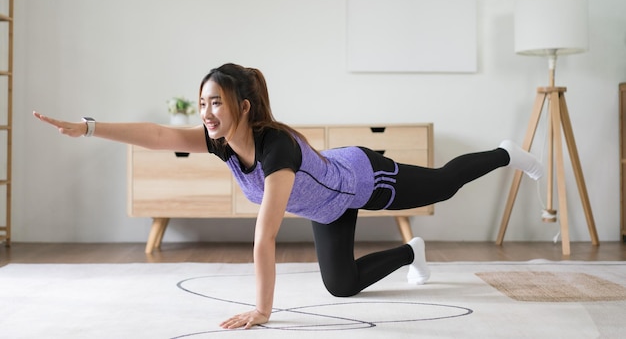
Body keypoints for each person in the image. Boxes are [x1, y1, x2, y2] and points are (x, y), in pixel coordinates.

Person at [33, 63, 544, 330]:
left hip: (363, 178)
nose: (207, 111)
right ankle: (413, 253)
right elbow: (161, 136)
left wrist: (262, 311)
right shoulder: (221, 143)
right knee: (341, 288)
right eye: (204, 101)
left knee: (443, 184)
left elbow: (266, 238)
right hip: (329, 205)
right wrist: (90, 127)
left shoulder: (275, 149)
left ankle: (503, 153)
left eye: (217, 102)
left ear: (244, 105)